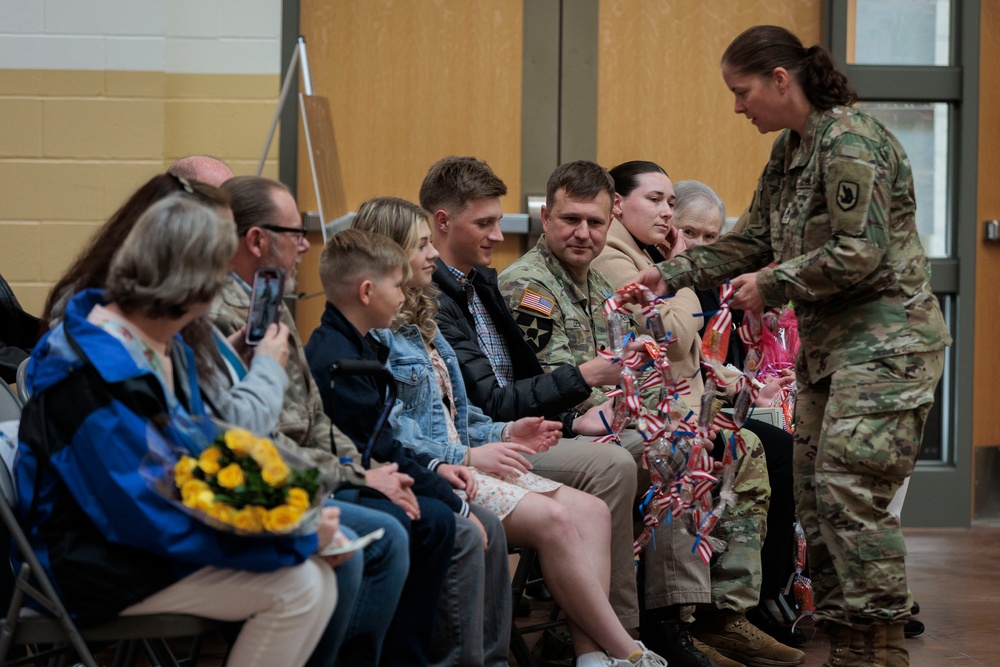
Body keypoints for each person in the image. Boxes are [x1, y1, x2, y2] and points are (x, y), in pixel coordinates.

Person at [632, 25, 951, 667]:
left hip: (887, 350)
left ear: (782, 79)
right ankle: (847, 645)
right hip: (832, 353)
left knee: (849, 496)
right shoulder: (791, 150)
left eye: (742, 90)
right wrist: (673, 272)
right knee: (814, 495)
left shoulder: (852, 141)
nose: (737, 106)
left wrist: (771, 283)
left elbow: (860, 251)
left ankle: (878, 652)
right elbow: (756, 238)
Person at [16, 194, 338, 667]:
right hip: (89, 561)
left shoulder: (156, 342)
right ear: (198, 286)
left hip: (130, 537)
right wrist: (294, 537)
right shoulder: (90, 372)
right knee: (300, 588)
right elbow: (143, 510)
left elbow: (198, 458)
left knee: (313, 579)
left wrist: (294, 515)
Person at [362, 195, 668, 667]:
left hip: (471, 454)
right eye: (421, 245)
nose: (430, 255)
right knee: (560, 519)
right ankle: (626, 650)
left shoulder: (426, 323)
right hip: (442, 470)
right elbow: (391, 434)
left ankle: (592, 658)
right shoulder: (376, 333)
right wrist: (465, 456)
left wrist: (507, 434)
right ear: (388, 256)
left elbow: (464, 413)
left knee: (591, 513)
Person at [209, 175, 457, 667]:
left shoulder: (267, 303)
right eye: (293, 231)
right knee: (390, 530)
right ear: (257, 240)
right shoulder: (221, 318)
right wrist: (358, 474)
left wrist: (362, 470)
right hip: (251, 485)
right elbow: (247, 435)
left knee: (422, 519)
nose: (305, 244)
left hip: (298, 470)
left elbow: (311, 418)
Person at [419, 156, 645, 644]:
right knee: (615, 463)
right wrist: (582, 384)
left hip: (517, 432)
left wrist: (569, 418)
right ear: (442, 223)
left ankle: (666, 622)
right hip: (477, 447)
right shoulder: (435, 298)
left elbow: (522, 378)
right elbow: (490, 402)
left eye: (595, 222)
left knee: (682, 445)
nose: (499, 235)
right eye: (486, 223)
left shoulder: (479, 282)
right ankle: (614, 635)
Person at [593, 162, 804, 667]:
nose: (667, 214)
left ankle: (732, 612)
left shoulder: (649, 254)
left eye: (671, 203)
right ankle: (683, 620)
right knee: (718, 448)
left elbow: (689, 355)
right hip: (639, 413)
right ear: (619, 204)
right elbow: (669, 335)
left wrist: (740, 385)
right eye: (658, 202)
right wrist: (680, 276)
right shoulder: (618, 258)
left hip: (676, 403)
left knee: (762, 443)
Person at [308, 215, 511, 667]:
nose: (404, 297)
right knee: (439, 522)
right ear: (366, 293)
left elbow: (397, 438)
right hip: (345, 481)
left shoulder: (362, 347)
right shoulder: (341, 359)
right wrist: (448, 494)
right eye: (397, 288)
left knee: (450, 519)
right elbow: (379, 445)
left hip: (374, 470)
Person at [671, 179, 803, 648]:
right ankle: (732, 608)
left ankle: (771, 594)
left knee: (785, 444)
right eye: (691, 232)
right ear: (670, 227)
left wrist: (753, 387)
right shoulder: (671, 281)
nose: (701, 245)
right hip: (679, 412)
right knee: (767, 447)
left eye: (712, 237)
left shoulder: (719, 289)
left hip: (717, 402)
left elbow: (717, 366)